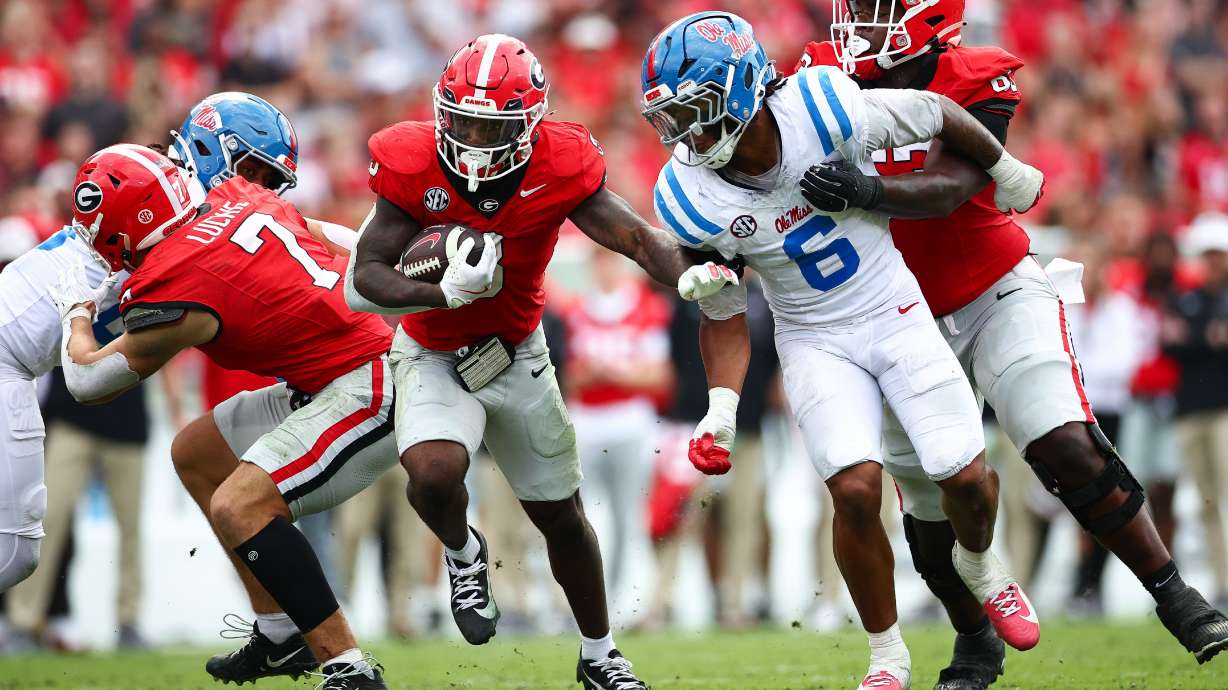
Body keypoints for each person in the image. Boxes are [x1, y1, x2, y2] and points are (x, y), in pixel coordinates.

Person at [799, 0, 1228, 678]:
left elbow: (950, 188)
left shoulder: (976, 76)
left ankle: (1175, 597)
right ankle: (975, 638)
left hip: (991, 288)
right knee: (935, 505)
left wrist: (864, 188)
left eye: (880, 7)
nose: (860, 21)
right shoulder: (818, 75)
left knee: (1065, 443)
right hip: (890, 317)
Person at [642, 11, 1044, 690]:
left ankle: (981, 564)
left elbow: (936, 112)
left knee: (965, 477)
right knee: (855, 490)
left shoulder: (820, 106)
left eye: (697, 112)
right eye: (671, 117)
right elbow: (724, 310)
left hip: (892, 309)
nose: (684, 134)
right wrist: (721, 407)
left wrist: (1004, 168)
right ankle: (887, 656)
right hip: (813, 337)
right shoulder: (687, 193)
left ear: (740, 89)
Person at [347, 33, 732, 690]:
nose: (470, 137)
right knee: (433, 474)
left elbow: (636, 237)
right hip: (434, 350)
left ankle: (600, 653)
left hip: (517, 352)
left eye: (488, 125)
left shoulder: (561, 162)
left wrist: (688, 274)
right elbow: (368, 273)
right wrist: (438, 292)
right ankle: (465, 554)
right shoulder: (411, 162)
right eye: (461, 119)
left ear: (530, 125)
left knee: (560, 515)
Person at [52, 143, 394, 690]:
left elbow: (87, 382)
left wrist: (77, 311)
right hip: (339, 366)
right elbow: (330, 236)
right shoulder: (235, 195)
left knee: (240, 505)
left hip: (370, 380)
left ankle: (347, 666)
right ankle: (280, 633)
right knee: (197, 454)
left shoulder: (181, 285)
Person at [1163, 213, 1228, 608]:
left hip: (1223, 409)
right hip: (1191, 409)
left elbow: (1185, 341)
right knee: (1207, 500)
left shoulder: (1191, 303)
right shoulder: (1187, 298)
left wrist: (1195, 340)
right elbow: (1172, 344)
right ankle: (1222, 580)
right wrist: (1207, 341)